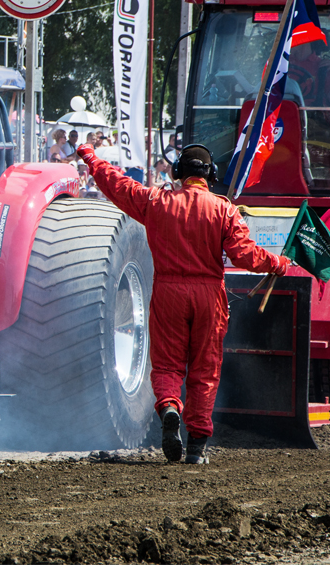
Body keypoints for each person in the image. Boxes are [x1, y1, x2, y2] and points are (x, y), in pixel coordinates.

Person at [77, 142, 290, 464]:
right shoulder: (224, 209)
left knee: (166, 366)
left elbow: (118, 185)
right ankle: (197, 448)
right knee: (205, 371)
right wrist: (278, 263)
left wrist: (91, 158)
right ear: (211, 175)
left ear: (177, 173)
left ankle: (169, 407)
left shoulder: (156, 201)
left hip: (168, 292)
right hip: (208, 296)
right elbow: (245, 255)